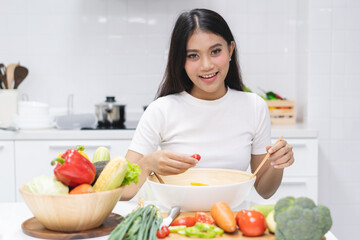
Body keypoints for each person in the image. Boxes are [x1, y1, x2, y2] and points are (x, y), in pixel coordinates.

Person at [121, 8, 294, 200]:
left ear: (230, 50)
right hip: (174, 222)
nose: (206, 65)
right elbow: (124, 193)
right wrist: (147, 164)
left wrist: (278, 163)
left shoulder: (254, 106)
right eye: (193, 55)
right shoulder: (161, 110)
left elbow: (265, 190)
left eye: (215, 51)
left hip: (231, 222)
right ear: (181, 61)